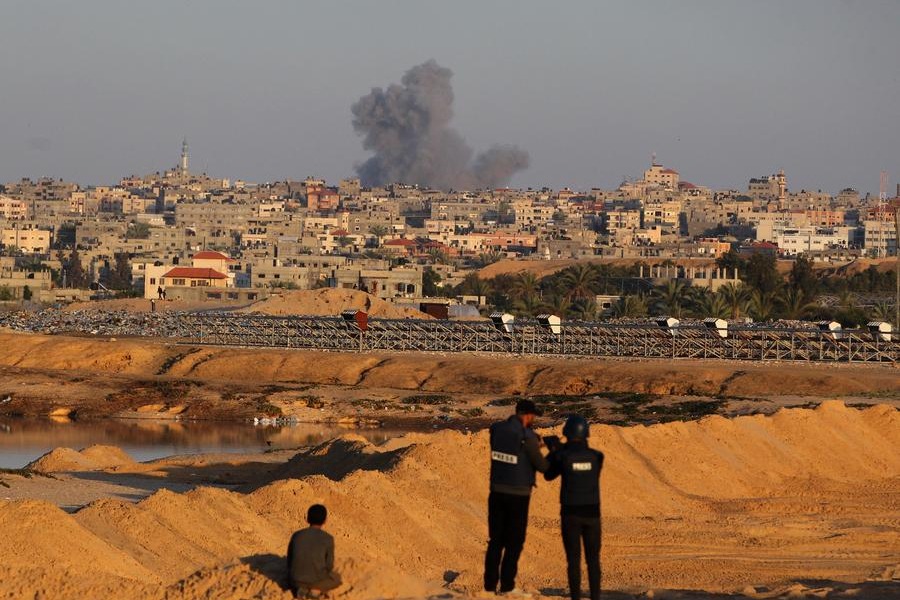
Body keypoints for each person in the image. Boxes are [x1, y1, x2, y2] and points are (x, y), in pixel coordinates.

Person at [483, 399, 550, 597]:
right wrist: (544, 447)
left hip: (496, 492)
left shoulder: (497, 430)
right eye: (532, 416)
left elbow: (507, 441)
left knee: (496, 541)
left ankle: (488, 587)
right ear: (527, 415)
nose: (533, 420)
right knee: (514, 542)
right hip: (518, 495)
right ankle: (507, 587)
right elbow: (542, 467)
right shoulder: (527, 437)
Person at [544, 415, 604, 600]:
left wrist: (554, 450)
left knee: (573, 560)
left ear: (566, 433)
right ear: (586, 433)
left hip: (570, 514)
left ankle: (576, 597)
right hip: (592, 514)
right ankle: (595, 597)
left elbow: (548, 474)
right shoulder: (597, 456)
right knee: (593, 560)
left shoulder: (562, 456)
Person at [287, 504, 342, 598]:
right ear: (325, 520)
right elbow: (329, 565)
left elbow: (289, 560)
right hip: (316, 580)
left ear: (307, 519)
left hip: (295, 580)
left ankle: (302, 589)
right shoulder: (327, 538)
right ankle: (315, 590)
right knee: (337, 578)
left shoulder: (297, 535)